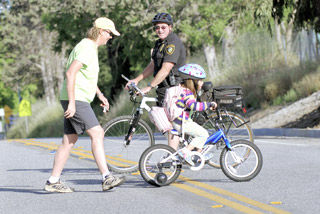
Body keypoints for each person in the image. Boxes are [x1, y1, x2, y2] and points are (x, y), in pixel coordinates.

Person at [44, 17, 125, 193]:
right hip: (76, 99)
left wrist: (99, 94)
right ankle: (106, 177)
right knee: (97, 133)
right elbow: (70, 73)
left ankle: (53, 181)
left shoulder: (88, 47)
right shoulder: (87, 48)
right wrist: (72, 103)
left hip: (74, 98)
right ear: (101, 31)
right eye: (110, 33)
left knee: (69, 141)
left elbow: (85, 75)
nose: (110, 37)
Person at [126, 12, 186, 149]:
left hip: (174, 88)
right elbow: (153, 65)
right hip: (163, 88)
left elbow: (166, 69)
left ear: (170, 27)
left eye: (163, 27)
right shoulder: (159, 43)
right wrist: (136, 79)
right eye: (157, 28)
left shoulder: (173, 43)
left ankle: (172, 159)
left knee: (173, 124)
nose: (160, 30)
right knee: (163, 121)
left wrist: (149, 86)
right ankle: (177, 151)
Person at [171, 64, 217, 165]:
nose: (202, 83)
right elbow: (193, 106)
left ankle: (197, 156)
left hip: (179, 120)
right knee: (203, 134)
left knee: (200, 133)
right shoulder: (188, 92)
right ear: (192, 81)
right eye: (200, 80)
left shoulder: (181, 88)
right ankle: (185, 152)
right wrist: (208, 104)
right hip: (181, 122)